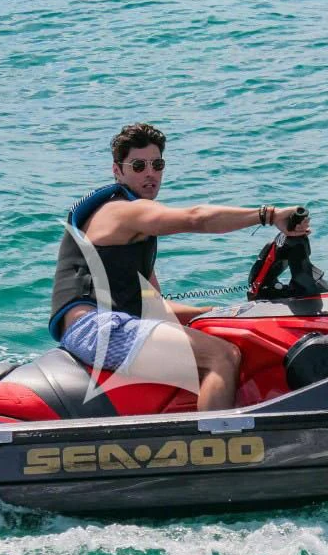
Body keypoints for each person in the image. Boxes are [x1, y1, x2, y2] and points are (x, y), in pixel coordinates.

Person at [48, 123, 311, 411]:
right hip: (96, 329)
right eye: (138, 165)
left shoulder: (134, 236)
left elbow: (155, 307)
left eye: (157, 164)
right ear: (118, 171)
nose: (150, 173)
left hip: (106, 327)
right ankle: (217, 445)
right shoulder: (123, 211)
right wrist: (269, 215)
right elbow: (197, 218)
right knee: (222, 357)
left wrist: (221, 313)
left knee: (216, 335)